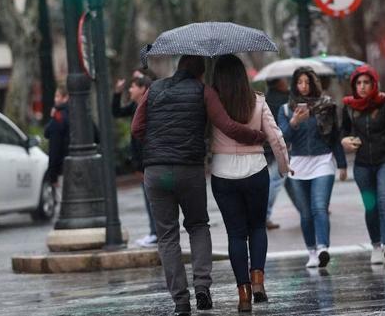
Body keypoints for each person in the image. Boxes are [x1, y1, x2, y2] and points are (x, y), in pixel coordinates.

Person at [131, 55, 266, 316]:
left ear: (178, 67)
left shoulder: (155, 88)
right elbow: (226, 126)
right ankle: (202, 286)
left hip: (156, 171)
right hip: (188, 169)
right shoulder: (203, 91)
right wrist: (258, 137)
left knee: (167, 236)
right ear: (201, 73)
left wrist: (158, 142)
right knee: (197, 225)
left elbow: (137, 128)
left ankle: (180, 301)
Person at [210, 55, 290, 312]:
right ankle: (258, 283)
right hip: (256, 170)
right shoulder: (258, 101)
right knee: (257, 228)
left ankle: (243, 293)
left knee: (235, 234)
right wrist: (283, 166)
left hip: (223, 173)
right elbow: (275, 137)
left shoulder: (212, 105)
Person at [340, 65, 385, 267]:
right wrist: (344, 141)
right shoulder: (349, 107)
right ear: (354, 86)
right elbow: (342, 133)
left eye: (366, 82)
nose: (362, 87)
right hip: (362, 166)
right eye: (358, 83)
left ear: (374, 84)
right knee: (370, 207)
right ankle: (375, 246)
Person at [278, 67, 347, 269]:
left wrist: (341, 163)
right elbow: (282, 138)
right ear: (294, 85)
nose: (304, 86)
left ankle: (323, 247)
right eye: (299, 82)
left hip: (322, 162)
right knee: (306, 213)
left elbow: (334, 136)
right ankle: (312, 252)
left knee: (319, 207)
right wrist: (294, 122)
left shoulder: (327, 106)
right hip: (297, 165)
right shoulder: (285, 109)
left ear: (314, 83)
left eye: (307, 82)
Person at [112, 76, 156, 248]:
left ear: (143, 88)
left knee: (153, 198)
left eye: (133, 86)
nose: (129, 89)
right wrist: (117, 93)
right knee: (149, 198)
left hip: (148, 162)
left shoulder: (149, 108)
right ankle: (154, 232)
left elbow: (141, 139)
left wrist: (140, 164)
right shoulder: (134, 106)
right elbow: (115, 112)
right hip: (142, 163)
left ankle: (156, 232)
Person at [264, 77, 290, 230]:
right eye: (284, 80)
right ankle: (263, 216)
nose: (286, 83)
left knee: (287, 180)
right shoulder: (283, 100)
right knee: (275, 181)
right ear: (278, 83)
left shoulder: (266, 98)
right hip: (280, 146)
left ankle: (306, 210)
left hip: (268, 146)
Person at [44, 84, 69, 193]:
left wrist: (52, 176)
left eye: (58, 96)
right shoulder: (82, 112)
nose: (55, 99)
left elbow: (54, 147)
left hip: (64, 169)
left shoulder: (58, 117)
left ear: (66, 97)